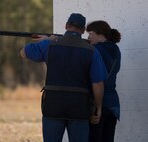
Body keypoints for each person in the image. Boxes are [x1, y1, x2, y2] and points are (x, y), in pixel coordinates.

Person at [20, 13, 107, 142]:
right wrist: (98, 107)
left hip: (53, 105)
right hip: (79, 107)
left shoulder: (49, 45)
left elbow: (23, 53)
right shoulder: (92, 51)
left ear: (66, 26)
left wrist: (47, 40)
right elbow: (98, 83)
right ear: (83, 30)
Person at [86, 20, 121, 142]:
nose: (88, 37)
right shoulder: (116, 49)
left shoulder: (95, 50)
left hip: (98, 102)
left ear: (100, 34)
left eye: (90, 33)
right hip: (113, 104)